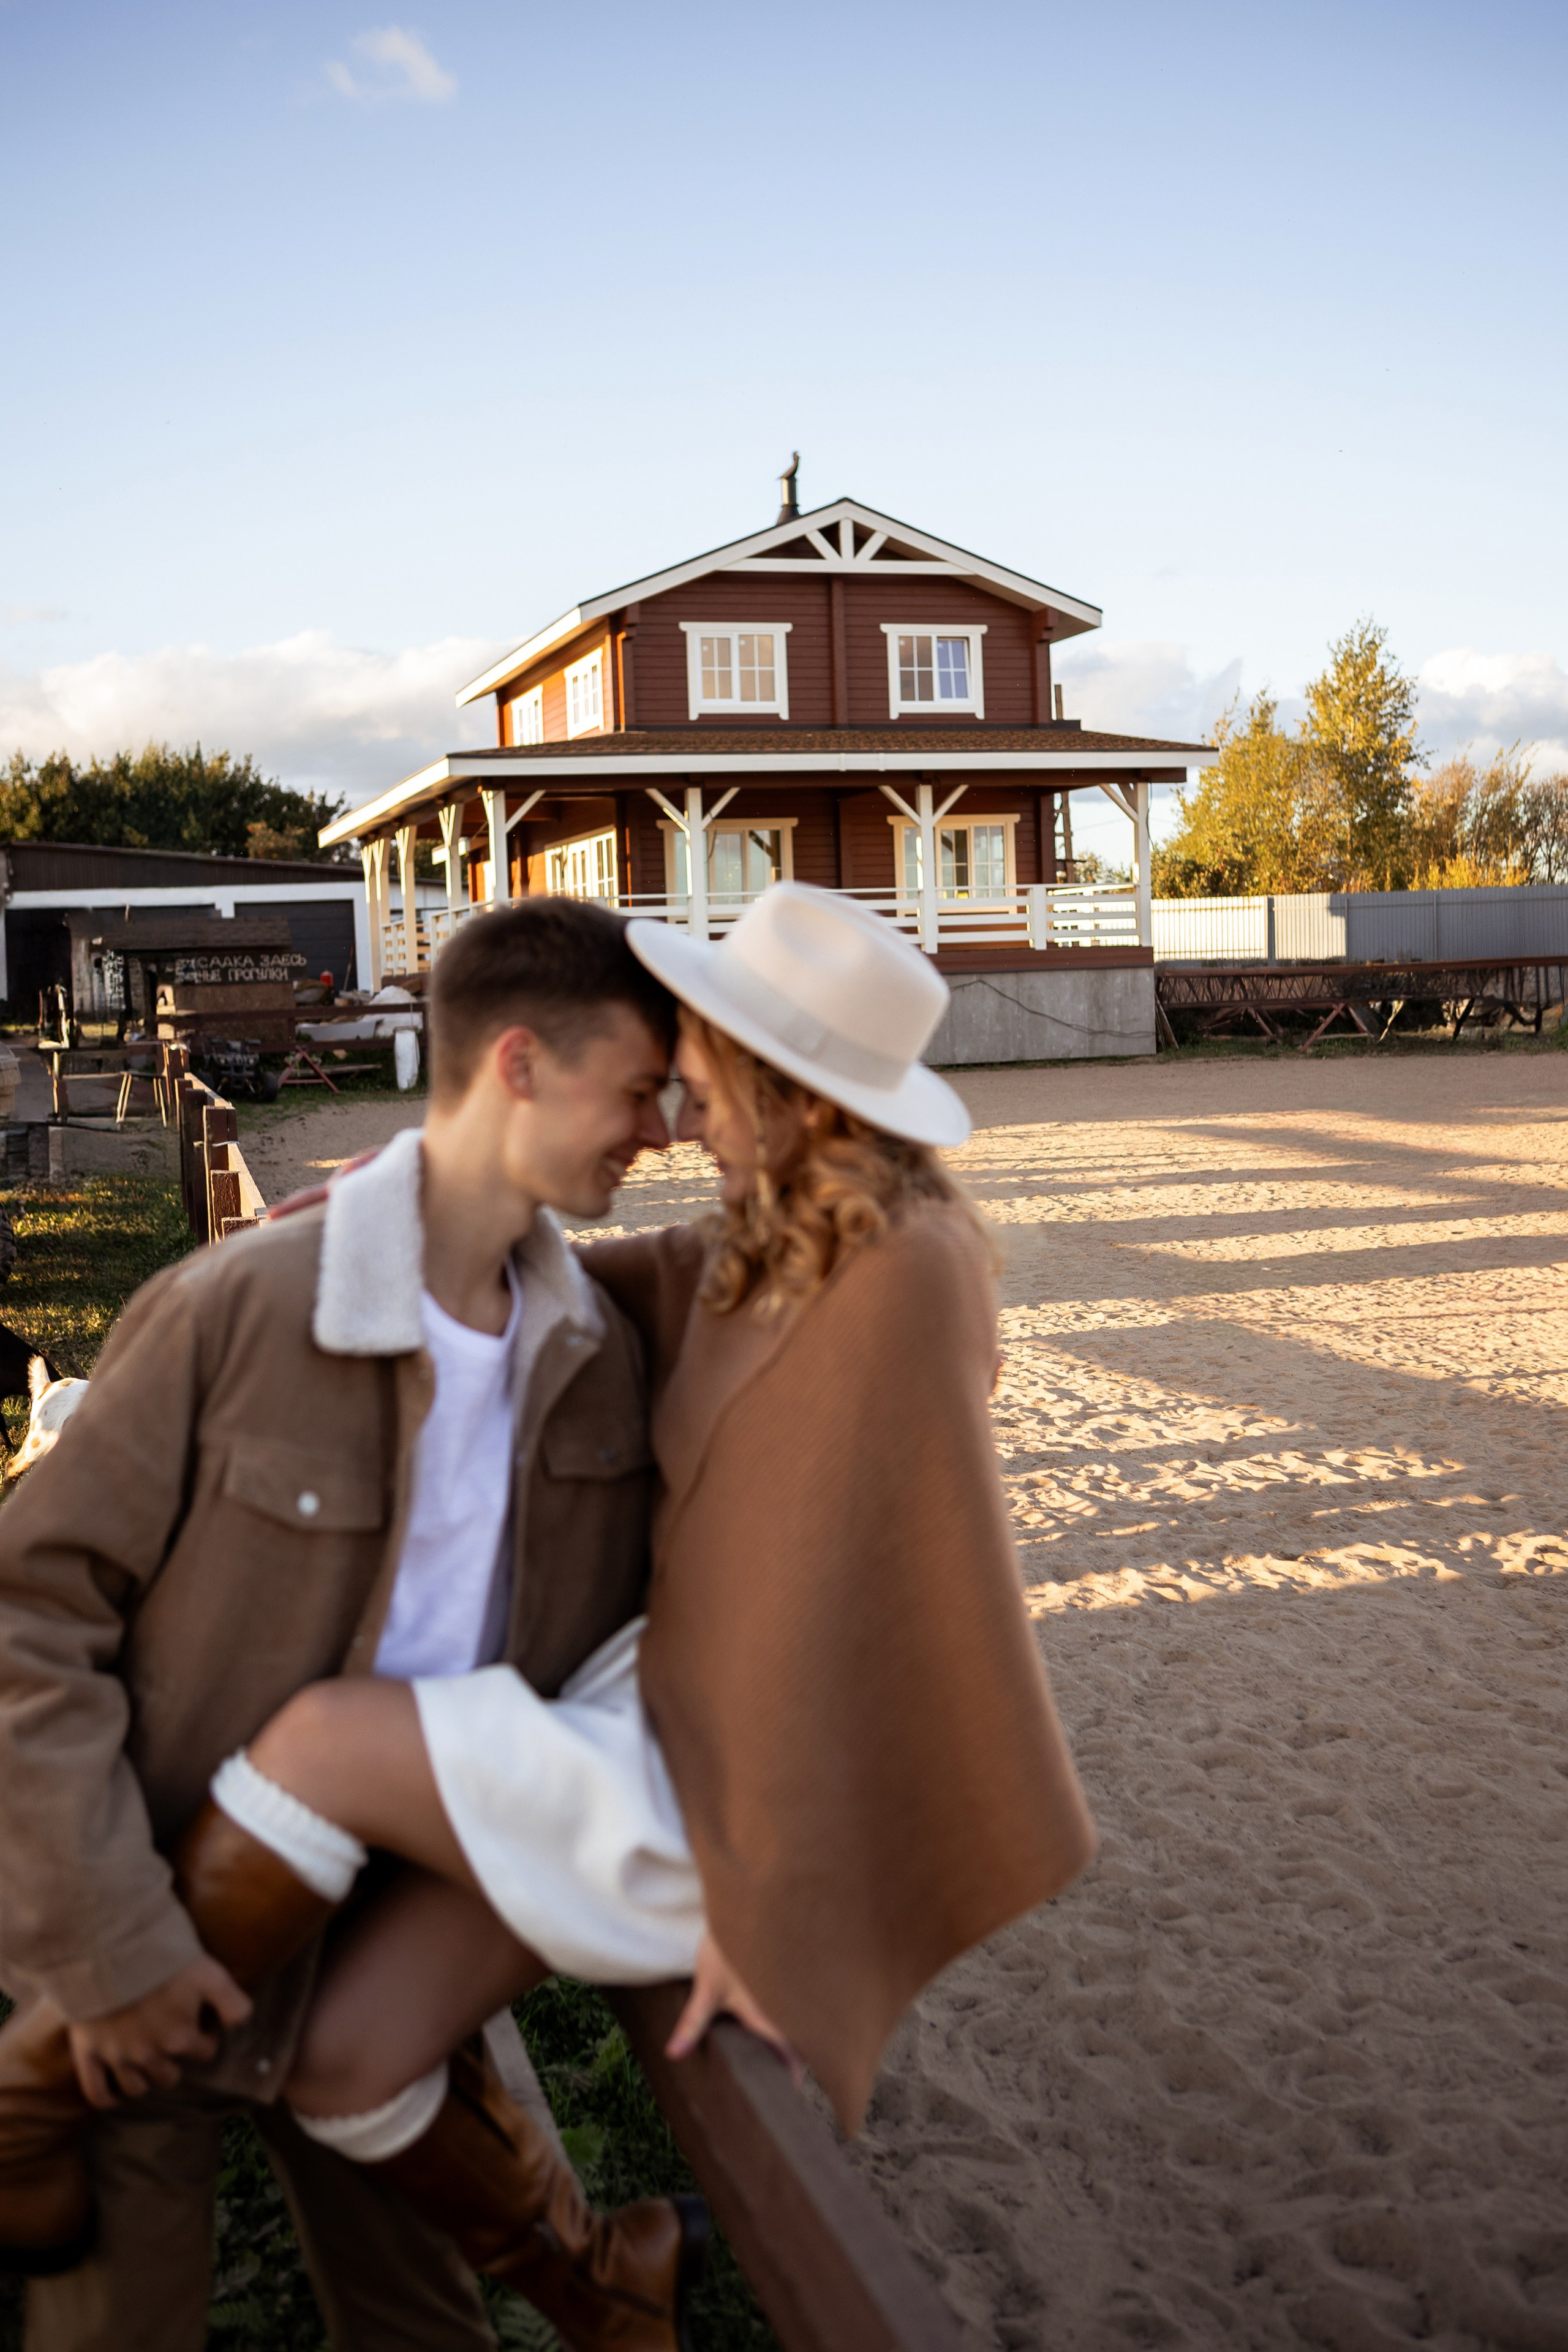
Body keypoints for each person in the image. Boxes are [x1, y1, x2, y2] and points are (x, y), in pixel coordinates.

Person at [0, 899, 701, 2352]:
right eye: (640, 1087)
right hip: (145, 1949)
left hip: (377, 1972)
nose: (662, 1130)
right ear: (519, 1065)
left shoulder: (603, 1353)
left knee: (429, 2331)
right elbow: (28, 1622)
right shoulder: (237, 1311)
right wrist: (107, 1947)